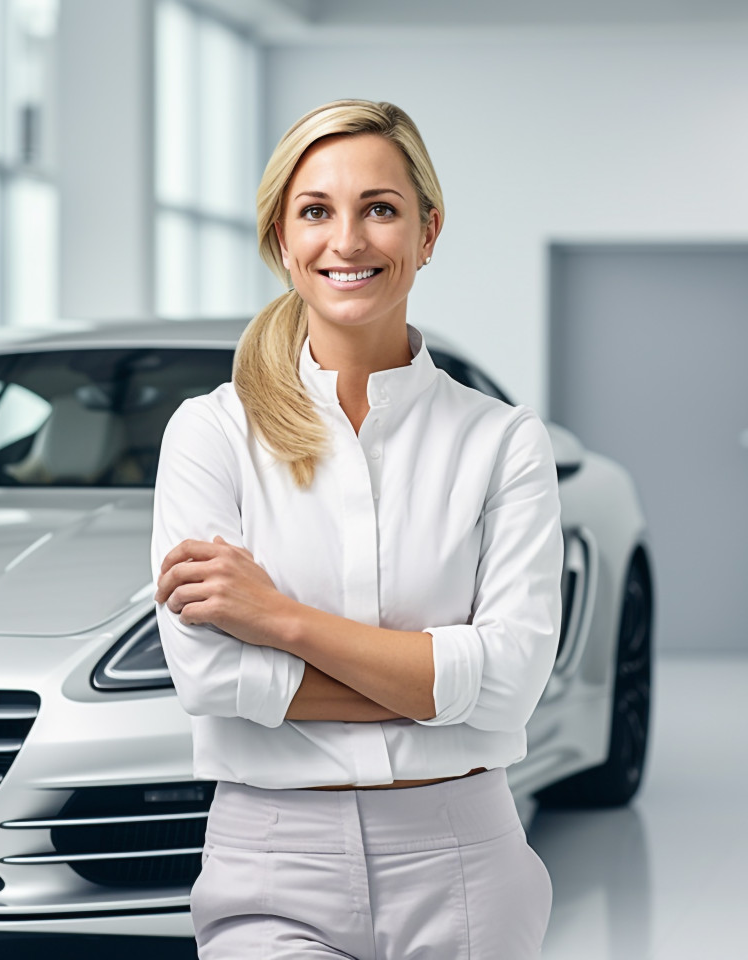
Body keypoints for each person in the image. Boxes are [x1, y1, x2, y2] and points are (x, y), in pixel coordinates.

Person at [151, 99, 562, 959]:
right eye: (316, 211)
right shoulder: (210, 433)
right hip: (269, 864)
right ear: (281, 237)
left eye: (380, 208)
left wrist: (279, 621)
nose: (348, 241)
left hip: (465, 866)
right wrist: (433, 686)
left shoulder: (502, 441)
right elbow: (209, 677)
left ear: (427, 232)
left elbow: (514, 683)